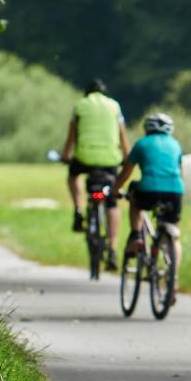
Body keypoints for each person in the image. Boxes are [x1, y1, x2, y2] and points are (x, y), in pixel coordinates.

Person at [60, 79, 130, 270]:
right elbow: (123, 135)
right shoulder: (114, 106)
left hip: (84, 158)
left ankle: (79, 209)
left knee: (72, 176)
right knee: (112, 200)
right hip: (110, 159)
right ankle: (113, 248)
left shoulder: (80, 106)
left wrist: (66, 156)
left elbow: (72, 136)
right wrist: (126, 157)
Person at [111, 113, 184, 285]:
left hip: (148, 190)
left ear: (147, 129)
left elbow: (126, 171)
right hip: (175, 191)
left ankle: (136, 235)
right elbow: (181, 173)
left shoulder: (142, 144)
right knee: (174, 236)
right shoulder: (176, 145)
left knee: (133, 195)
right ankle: (172, 279)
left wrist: (115, 189)